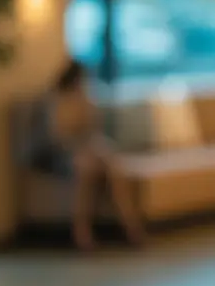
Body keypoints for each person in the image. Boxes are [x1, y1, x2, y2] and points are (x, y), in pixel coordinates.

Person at [49, 60, 146, 250]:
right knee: (86, 170)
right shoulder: (58, 101)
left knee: (114, 168)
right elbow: (59, 138)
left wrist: (85, 104)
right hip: (67, 153)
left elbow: (94, 129)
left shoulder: (85, 99)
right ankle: (82, 232)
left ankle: (130, 227)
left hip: (90, 147)